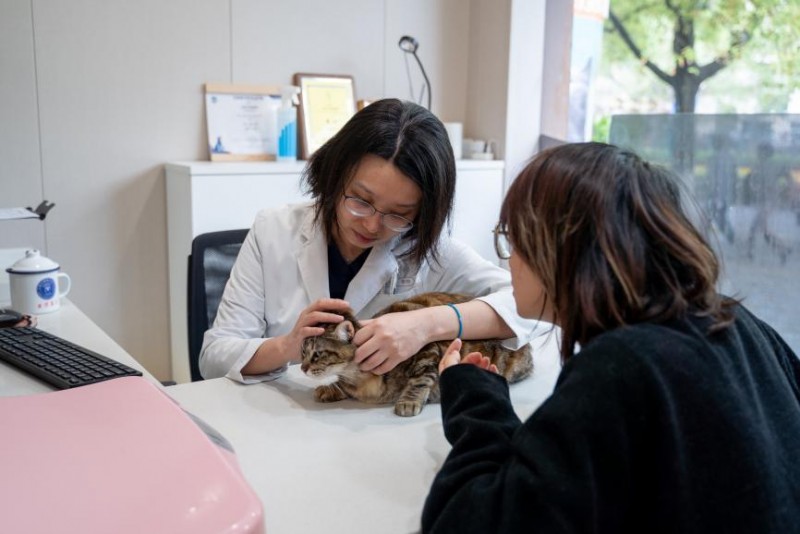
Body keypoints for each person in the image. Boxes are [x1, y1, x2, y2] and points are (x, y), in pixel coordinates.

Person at [422, 142, 800, 532]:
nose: (509, 258)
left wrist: (473, 403)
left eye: (515, 239)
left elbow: (466, 522)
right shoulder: (733, 320)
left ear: (559, 248)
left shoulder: (623, 366)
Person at [199, 98, 543, 382]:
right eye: (360, 200)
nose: (373, 225)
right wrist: (289, 346)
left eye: (399, 213)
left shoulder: (430, 252)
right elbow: (213, 358)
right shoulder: (273, 230)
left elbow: (529, 306)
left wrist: (424, 324)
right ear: (335, 175)